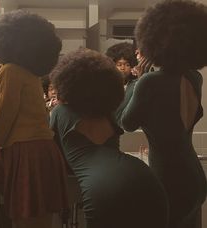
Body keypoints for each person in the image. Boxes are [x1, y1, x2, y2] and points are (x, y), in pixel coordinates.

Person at [49, 48, 168, 228]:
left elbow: (55, 159)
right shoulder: (109, 114)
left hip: (102, 187)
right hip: (145, 177)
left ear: (65, 81)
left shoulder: (59, 112)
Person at [0, 10, 68, 228]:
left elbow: (0, 120)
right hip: (33, 151)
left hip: (27, 153)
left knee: (28, 222)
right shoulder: (27, 73)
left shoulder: (11, 71)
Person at [120, 1, 207, 228]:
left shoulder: (150, 81)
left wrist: (137, 79)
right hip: (194, 176)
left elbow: (126, 123)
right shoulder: (195, 78)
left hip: (168, 178)